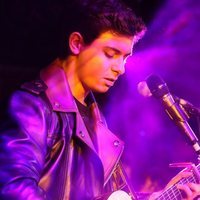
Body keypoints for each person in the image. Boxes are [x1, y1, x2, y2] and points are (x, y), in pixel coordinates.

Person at [0, 0, 199, 199]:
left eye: (125, 58)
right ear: (76, 43)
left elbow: (111, 195)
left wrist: (162, 195)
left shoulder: (97, 119)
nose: (120, 69)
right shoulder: (31, 106)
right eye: (111, 54)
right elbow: (13, 189)